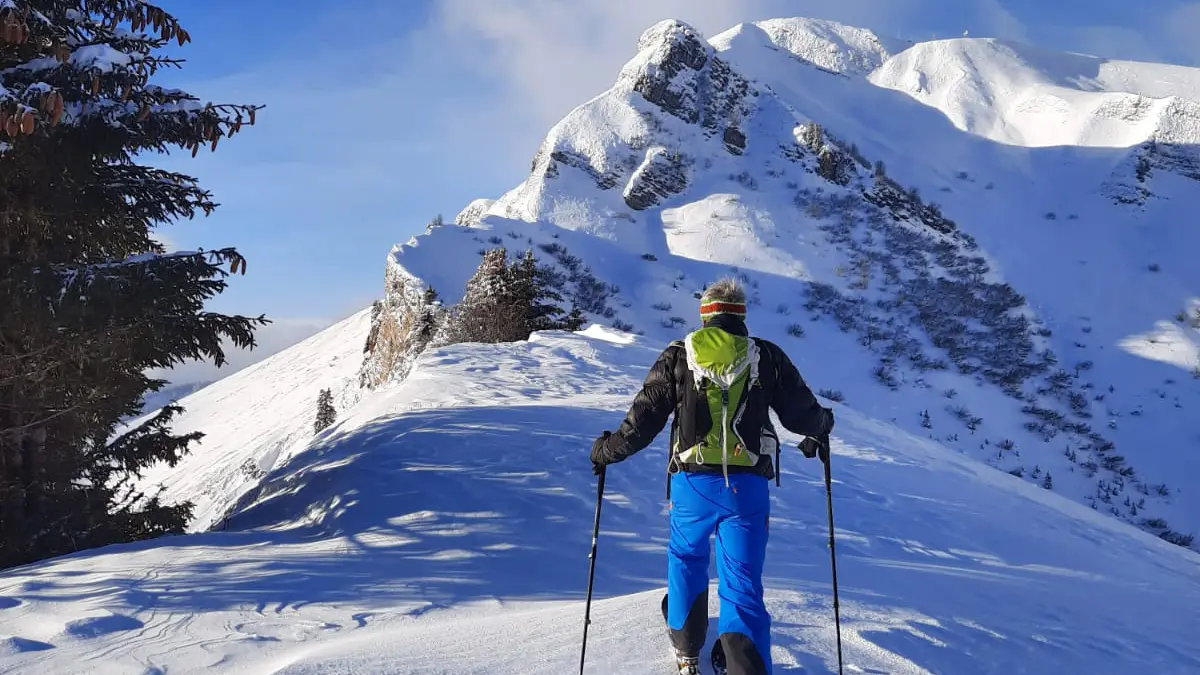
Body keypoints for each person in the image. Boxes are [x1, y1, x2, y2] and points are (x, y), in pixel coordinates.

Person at [590, 278, 834, 675]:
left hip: (692, 485)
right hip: (747, 489)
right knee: (742, 584)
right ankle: (744, 666)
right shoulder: (766, 356)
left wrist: (605, 450)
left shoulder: (678, 355)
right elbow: (800, 415)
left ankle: (687, 653)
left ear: (705, 315)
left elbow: (643, 422)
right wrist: (824, 425)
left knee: (686, 559)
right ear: (740, 315)